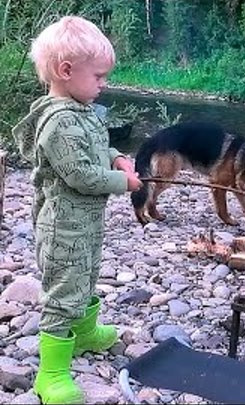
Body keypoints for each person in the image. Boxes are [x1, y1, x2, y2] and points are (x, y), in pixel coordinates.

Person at [12, 16, 142, 404]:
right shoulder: (58, 122)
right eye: (99, 76)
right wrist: (126, 183)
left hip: (85, 222)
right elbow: (81, 174)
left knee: (85, 276)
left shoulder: (80, 110)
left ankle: (84, 333)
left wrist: (117, 157)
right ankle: (50, 375)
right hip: (62, 228)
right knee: (63, 290)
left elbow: (94, 149)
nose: (104, 84)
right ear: (66, 71)